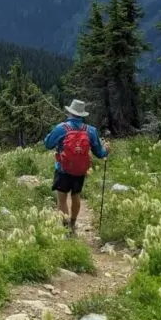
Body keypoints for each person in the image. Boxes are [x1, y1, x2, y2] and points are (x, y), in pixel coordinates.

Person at [43, 99, 109, 235]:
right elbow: (100, 153)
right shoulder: (90, 130)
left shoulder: (62, 127)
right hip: (80, 171)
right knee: (76, 195)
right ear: (82, 115)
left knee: (62, 199)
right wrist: (107, 150)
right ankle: (73, 223)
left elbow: (48, 144)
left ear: (70, 113)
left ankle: (66, 227)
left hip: (62, 168)